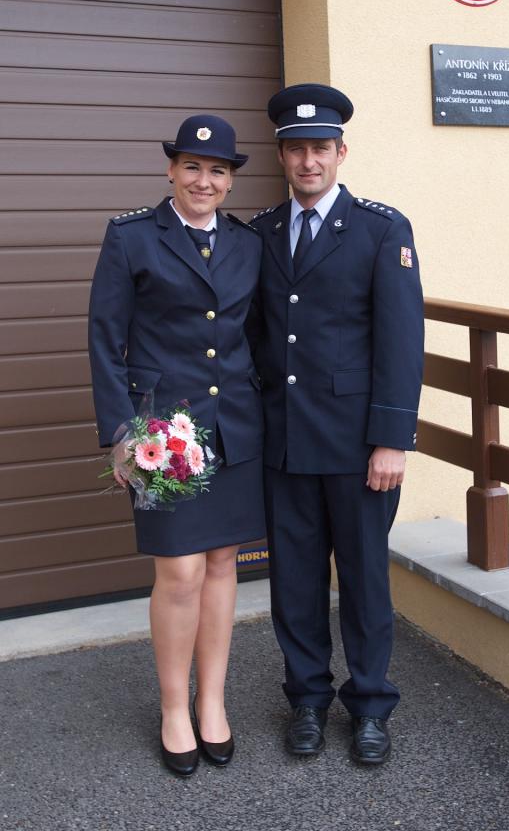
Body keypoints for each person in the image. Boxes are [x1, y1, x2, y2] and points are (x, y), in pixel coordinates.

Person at [249, 83, 424, 765]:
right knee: (294, 581)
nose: (309, 161)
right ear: (282, 156)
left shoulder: (382, 229)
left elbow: (401, 341)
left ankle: (371, 705)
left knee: (364, 579)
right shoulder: (263, 231)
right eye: (296, 150)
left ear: (341, 152)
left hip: (357, 446)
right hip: (286, 440)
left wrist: (392, 440)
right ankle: (308, 700)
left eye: (320, 148)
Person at [88, 114, 264, 777]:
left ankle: (211, 701)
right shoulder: (132, 236)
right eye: (192, 166)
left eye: (217, 170)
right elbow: (105, 338)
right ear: (171, 170)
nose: (204, 180)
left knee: (222, 564)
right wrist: (121, 434)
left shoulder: (247, 244)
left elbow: (259, 335)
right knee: (180, 572)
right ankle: (173, 709)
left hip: (236, 424)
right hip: (163, 433)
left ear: (230, 180)